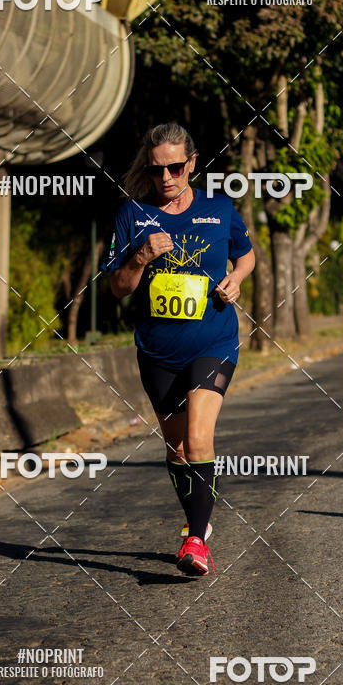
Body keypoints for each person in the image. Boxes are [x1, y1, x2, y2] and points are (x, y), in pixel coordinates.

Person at [103, 123, 255, 576]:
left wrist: (237, 279)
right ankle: (199, 522)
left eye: (174, 167)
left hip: (215, 341)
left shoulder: (219, 208)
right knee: (177, 448)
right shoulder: (133, 215)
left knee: (199, 435)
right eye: (156, 170)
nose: (165, 177)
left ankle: (195, 540)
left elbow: (245, 254)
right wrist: (140, 257)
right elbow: (117, 287)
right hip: (157, 351)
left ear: (191, 163)